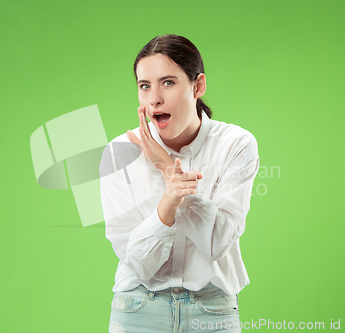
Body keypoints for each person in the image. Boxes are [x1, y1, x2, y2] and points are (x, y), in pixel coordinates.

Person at [99, 34, 260, 333]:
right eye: (144, 86)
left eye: (168, 82)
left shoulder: (236, 145)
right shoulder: (119, 153)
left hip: (212, 312)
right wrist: (169, 200)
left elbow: (217, 243)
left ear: (198, 86)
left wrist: (165, 167)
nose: (154, 99)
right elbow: (139, 262)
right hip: (138, 310)